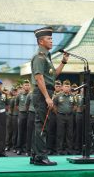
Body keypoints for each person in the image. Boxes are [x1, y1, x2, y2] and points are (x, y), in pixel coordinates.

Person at [30, 26, 69, 165]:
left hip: (45, 92)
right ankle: (41, 157)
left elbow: (52, 76)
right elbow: (39, 78)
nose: (52, 41)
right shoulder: (39, 57)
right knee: (42, 125)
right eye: (49, 38)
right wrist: (47, 97)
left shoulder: (47, 56)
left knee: (40, 124)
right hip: (42, 94)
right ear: (41, 41)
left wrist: (63, 62)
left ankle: (35, 155)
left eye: (52, 38)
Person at [53, 80, 76, 155]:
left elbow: (75, 105)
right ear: (62, 87)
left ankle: (69, 150)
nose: (67, 88)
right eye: (65, 86)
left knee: (70, 134)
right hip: (60, 116)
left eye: (68, 86)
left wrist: (71, 111)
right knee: (60, 134)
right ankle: (59, 150)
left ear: (70, 87)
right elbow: (54, 105)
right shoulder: (58, 96)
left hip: (69, 116)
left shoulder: (73, 96)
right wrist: (58, 113)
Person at [15, 79, 31, 155]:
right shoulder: (19, 95)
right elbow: (16, 105)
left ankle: (27, 148)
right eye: (25, 85)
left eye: (28, 85)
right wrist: (21, 110)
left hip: (29, 114)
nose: (27, 86)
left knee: (29, 132)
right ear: (23, 86)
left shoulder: (31, 94)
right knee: (20, 132)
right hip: (22, 114)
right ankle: (19, 148)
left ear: (30, 86)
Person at [47, 80, 62, 155]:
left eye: (59, 86)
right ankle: (50, 148)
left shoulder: (63, 95)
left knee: (59, 133)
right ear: (54, 87)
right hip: (52, 115)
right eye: (56, 86)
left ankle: (57, 149)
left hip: (60, 115)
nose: (58, 87)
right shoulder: (51, 94)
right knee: (51, 132)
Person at [25, 90, 35, 156]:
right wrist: (29, 111)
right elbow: (26, 105)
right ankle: (28, 150)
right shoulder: (30, 94)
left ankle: (36, 150)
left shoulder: (43, 93)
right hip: (31, 113)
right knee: (30, 132)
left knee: (38, 133)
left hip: (39, 114)